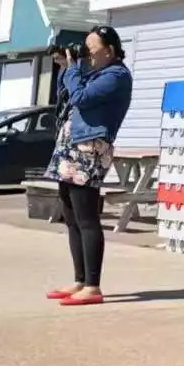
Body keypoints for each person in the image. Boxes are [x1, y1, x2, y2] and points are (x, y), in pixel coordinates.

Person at [44, 26, 133, 308]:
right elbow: (68, 95)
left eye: (91, 50)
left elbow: (81, 97)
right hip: (71, 146)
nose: (87, 55)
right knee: (70, 216)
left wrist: (72, 68)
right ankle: (80, 280)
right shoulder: (92, 72)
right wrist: (65, 66)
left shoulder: (116, 76)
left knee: (86, 217)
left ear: (109, 51)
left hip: (89, 149)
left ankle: (93, 285)